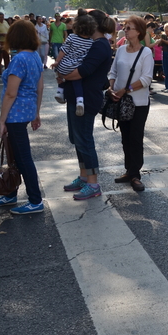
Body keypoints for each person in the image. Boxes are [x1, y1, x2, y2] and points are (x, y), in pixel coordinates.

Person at [0, 20, 45, 214]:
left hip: (15, 114)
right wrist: (36, 112)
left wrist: (2, 120)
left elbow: (11, 93)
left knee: (22, 158)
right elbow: (40, 87)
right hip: (26, 111)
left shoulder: (19, 59)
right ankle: (11, 194)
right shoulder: (35, 56)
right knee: (16, 157)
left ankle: (35, 200)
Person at [60, 10, 115, 201]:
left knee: (84, 139)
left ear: (94, 24)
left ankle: (93, 183)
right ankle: (84, 177)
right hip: (77, 97)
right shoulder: (93, 43)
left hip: (87, 98)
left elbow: (82, 71)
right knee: (77, 139)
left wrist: (63, 73)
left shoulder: (100, 45)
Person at [107, 15, 154, 192]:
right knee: (125, 137)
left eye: (129, 28)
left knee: (135, 138)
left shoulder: (146, 52)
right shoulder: (120, 50)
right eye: (125, 27)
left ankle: (135, 174)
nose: (125, 30)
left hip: (138, 103)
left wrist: (124, 90)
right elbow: (113, 72)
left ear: (139, 32)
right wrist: (111, 88)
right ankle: (129, 170)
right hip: (120, 101)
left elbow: (146, 79)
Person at [52, 14, 96, 116]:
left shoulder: (71, 37)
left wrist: (57, 61)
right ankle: (80, 100)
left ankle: (60, 91)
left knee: (60, 72)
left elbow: (63, 50)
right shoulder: (91, 42)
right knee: (77, 80)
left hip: (65, 64)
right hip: (77, 66)